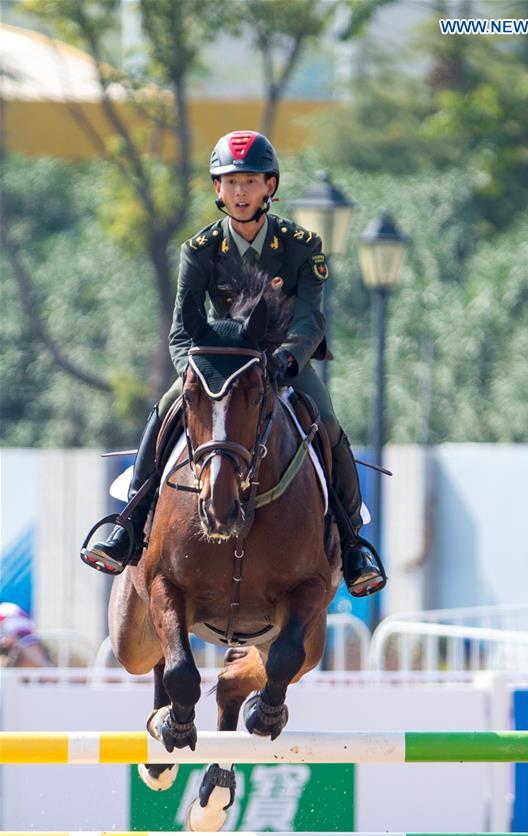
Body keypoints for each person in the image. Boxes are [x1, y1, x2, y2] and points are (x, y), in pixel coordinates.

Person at [82, 130, 384, 597]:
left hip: (284, 361)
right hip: (218, 365)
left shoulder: (302, 245)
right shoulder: (199, 250)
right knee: (163, 412)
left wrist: (286, 360)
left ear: (270, 186)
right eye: (230, 182)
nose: (240, 192)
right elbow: (181, 330)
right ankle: (128, 524)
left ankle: (352, 542)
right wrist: (193, 372)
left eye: (250, 182)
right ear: (218, 189)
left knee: (326, 420)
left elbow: (310, 321)